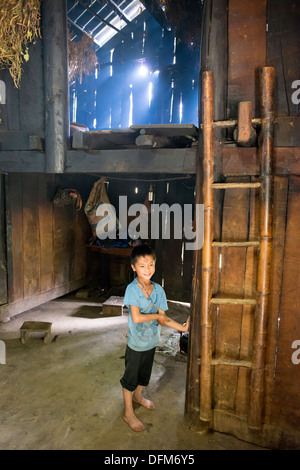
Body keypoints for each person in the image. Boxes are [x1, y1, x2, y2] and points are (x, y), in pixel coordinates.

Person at [120, 244, 190, 432]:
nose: (147, 270)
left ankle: (138, 396)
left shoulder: (159, 290)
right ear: (133, 268)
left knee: (144, 375)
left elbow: (163, 319)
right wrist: (157, 317)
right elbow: (136, 317)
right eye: (142, 266)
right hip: (135, 344)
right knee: (130, 379)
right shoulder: (132, 290)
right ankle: (128, 412)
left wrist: (183, 327)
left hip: (151, 342)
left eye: (150, 265)